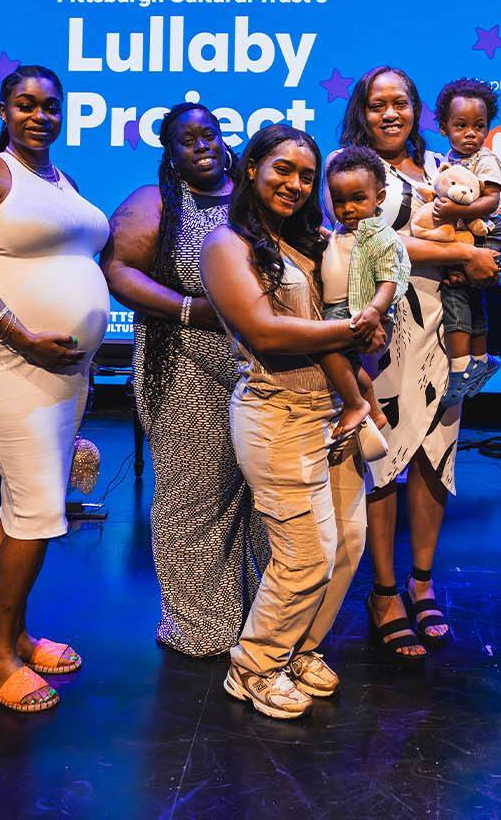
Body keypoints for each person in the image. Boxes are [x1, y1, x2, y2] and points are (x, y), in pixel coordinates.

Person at [201, 124, 381, 719]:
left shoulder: (316, 242)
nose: (296, 184)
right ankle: (253, 665)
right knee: (305, 553)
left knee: (347, 546)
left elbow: (362, 300)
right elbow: (265, 332)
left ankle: (298, 648)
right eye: (283, 169)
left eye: (307, 175)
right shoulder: (227, 245)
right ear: (251, 167)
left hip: (335, 410)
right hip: (276, 413)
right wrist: (352, 328)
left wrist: (365, 339)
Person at [0, 64, 109, 714]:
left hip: (63, 369)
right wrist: (21, 335)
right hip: (6, 359)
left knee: (29, 505)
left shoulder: (62, 181)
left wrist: (84, 358)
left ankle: (16, 635)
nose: (39, 116)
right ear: (5, 109)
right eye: (26, 105)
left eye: (50, 107)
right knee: (38, 504)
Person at [336, 68, 501, 659]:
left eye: (400, 103)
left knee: (436, 453)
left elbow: (477, 214)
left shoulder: (439, 168)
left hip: (444, 324)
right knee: (384, 459)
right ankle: (383, 591)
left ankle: (422, 582)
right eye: (377, 104)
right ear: (362, 110)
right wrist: (461, 251)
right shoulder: (352, 168)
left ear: (415, 110)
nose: (389, 114)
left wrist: (475, 247)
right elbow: (369, 237)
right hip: (387, 328)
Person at [102, 102, 268, 657]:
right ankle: (200, 625)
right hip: (183, 367)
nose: (201, 145)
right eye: (186, 139)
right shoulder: (158, 202)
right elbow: (118, 270)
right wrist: (188, 309)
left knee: (265, 498)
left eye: (209, 134)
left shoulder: (255, 197)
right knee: (194, 497)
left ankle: (261, 619)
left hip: (263, 368)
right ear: (169, 152)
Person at [315, 145, 411, 459]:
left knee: (324, 348)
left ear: (378, 198)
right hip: (339, 308)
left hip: (362, 309)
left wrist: (375, 311)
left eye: (358, 199)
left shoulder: (378, 236)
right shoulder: (340, 232)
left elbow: (389, 279)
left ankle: (357, 404)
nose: (348, 209)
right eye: (340, 201)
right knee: (347, 364)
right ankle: (374, 410)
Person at [430, 78, 501, 402]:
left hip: (486, 232)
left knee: (456, 295)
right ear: (444, 127)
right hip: (465, 233)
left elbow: (492, 201)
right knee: (472, 301)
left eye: (479, 126)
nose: (471, 133)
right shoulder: (446, 160)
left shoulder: (485, 160)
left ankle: (459, 371)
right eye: (461, 125)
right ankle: (479, 360)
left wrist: (455, 209)